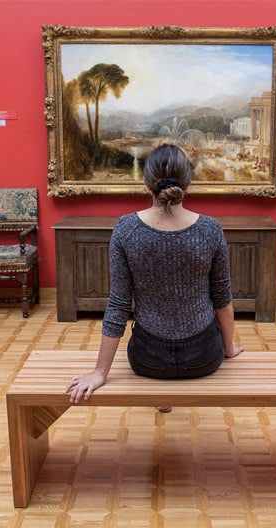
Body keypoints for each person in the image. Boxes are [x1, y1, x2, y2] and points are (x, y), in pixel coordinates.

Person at [64, 143, 243, 406]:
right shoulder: (210, 229)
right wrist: (228, 349)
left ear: (147, 184)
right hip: (204, 357)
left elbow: (118, 305)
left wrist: (100, 372)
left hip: (148, 359)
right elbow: (223, 301)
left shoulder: (126, 229)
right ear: (189, 183)